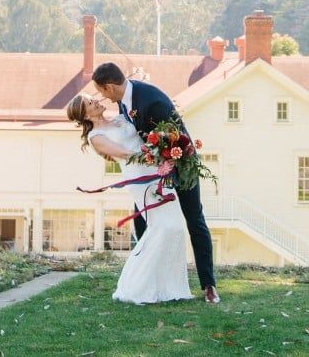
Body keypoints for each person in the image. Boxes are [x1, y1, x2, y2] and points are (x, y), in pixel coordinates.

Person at [91, 61, 220, 304]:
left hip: (181, 165)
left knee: (194, 219)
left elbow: (176, 138)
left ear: (109, 87)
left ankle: (209, 286)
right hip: (152, 171)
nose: (103, 97)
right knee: (142, 219)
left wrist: (166, 166)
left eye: (101, 92)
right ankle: (148, 279)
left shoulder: (152, 100)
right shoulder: (123, 101)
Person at [67, 94, 192, 304]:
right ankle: (136, 286)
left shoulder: (121, 118)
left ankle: (169, 287)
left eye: (93, 99)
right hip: (140, 179)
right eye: (90, 103)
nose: (96, 101)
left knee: (175, 227)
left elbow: (143, 133)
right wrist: (154, 155)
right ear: (85, 115)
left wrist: (163, 145)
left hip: (157, 171)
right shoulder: (96, 137)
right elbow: (125, 154)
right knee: (162, 226)